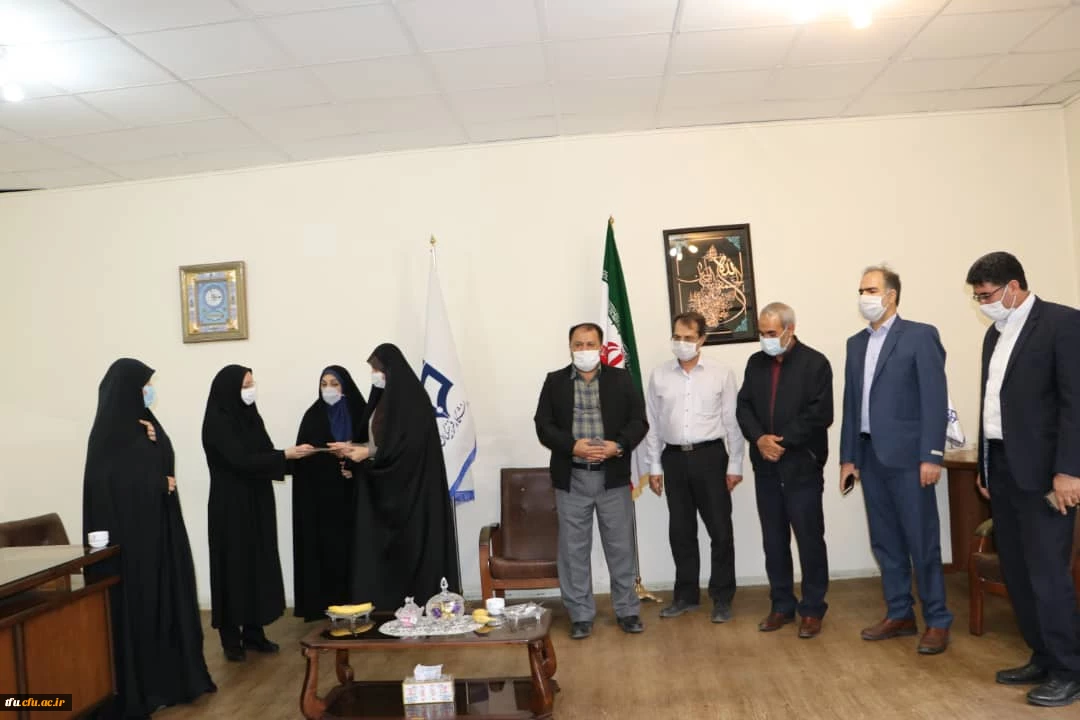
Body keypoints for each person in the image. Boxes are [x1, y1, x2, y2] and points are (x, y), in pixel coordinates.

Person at [966, 251, 1080, 707]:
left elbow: (1075, 403)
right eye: (977, 297)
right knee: (1017, 569)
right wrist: (985, 467)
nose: (982, 304)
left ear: (1013, 286)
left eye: (987, 295)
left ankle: (1070, 669)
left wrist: (1069, 470)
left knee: (1048, 573)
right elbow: (990, 406)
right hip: (1003, 467)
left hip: (1047, 475)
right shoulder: (994, 335)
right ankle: (1042, 655)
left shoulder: (1062, 324)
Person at [82, 358, 215, 718]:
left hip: (157, 536)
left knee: (164, 603)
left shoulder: (145, 425)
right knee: (139, 609)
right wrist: (156, 481)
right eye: (144, 386)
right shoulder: (109, 434)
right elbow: (113, 483)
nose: (148, 392)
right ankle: (142, 688)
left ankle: (168, 682)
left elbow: (162, 463)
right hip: (130, 544)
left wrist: (158, 444)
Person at [839, 265, 952, 654]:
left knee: (922, 541)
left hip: (909, 459)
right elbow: (851, 404)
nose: (864, 297)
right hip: (870, 456)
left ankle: (937, 619)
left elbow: (935, 399)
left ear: (891, 295)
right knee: (885, 541)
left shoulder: (920, 335)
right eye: (861, 290)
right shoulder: (855, 344)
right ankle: (900, 613)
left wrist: (931, 455)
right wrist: (848, 458)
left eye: (871, 290)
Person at [533, 322, 649, 640]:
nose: (584, 350)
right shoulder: (555, 381)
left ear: (601, 347)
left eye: (590, 344)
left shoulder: (620, 379)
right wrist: (572, 446)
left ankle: (627, 611)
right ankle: (581, 615)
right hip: (572, 477)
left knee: (621, 547)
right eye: (578, 344)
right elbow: (543, 425)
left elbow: (639, 421)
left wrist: (618, 446)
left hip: (612, 478)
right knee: (573, 550)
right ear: (570, 347)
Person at [332, 344, 460, 612]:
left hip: (413, 493)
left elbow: (407, 448)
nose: (374, 375)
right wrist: (354, 450)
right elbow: (378, 442)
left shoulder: (413, 401)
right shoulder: (381, 400)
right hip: (388, 490)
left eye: (377, 369)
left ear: (391, 370)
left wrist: (367, 453)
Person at [202, 364, 313, 662]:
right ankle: (230, 639)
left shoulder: (250, 416)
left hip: (257, 501)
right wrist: (284, 456)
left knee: (256, 564)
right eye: (245, 385)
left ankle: (254, 632)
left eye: (252, 383)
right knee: (232, 567)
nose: (251, 390)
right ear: (229, 390)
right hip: (230, 506)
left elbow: (263, 454)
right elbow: (239, 460)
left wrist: (294, 458)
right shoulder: (217, 422)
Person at [736, 303, 832, 638]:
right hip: (765, 466)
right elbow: (744, 407)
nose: (766, 339)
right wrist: (760, 439)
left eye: (771, 333)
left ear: (790, 330)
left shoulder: (815, 363)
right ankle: (781, 605)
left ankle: (813, 608)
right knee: (774, 539)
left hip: (801, 465)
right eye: (762, 333)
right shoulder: (755, 363)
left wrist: (782, 441)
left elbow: (821, 414)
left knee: (809, 539)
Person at [643, 311, 744, 624]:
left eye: (688, 338)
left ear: (702, 339)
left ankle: (722, 598)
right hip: (673, 459)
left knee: (720, 531)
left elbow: (732, 421)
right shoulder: (659, 375)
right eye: (677, 337)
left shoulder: (721, 373)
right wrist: (654, 466)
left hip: (711, 457)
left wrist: (735, 463)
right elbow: (652, 424)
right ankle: (686, 596)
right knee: (681, 531)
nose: (682, 343)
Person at [292, 366, 367, 622]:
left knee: (356, 551)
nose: (328, 389)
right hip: (323, 500)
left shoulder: (361, 413)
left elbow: (375, 451)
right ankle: (328, 606)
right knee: (328, 552)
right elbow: (302, 461)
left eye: (334, 383)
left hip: (356, 496)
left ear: (345, 386)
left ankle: (360, 603)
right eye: (324, 384)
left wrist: (353, 466)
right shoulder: (312, 416)